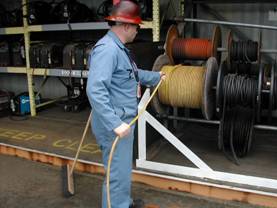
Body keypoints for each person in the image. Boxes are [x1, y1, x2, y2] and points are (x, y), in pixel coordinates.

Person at [86, 1, 164, 208]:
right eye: (137, 26)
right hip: (115, 124)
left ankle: (123, 202)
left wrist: (156, 77)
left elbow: (131, 75)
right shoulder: (108, 50)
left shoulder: (119, 49)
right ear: (126, 26)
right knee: (116, 173)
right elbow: (95, 90)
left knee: (121, 170)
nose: (138, 30)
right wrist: (115, 124)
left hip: (122, 121)